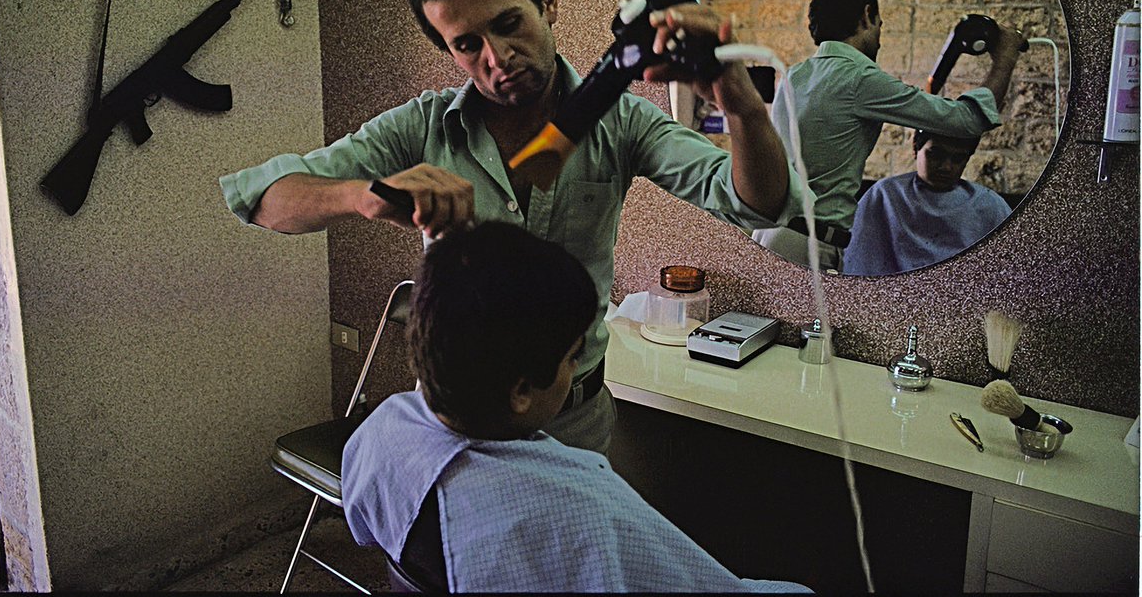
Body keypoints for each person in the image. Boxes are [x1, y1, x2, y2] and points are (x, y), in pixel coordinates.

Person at [219, 0, 805, 454]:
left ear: (546, 1)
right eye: (466, 45)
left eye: (507, 24)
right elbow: (262, 197)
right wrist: (358, 194)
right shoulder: (421, 127)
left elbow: (761, 204)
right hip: (455, 430)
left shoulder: (622, 121)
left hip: (574, 424)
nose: (496, 58)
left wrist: (742, 107)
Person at [340, 222, 811, 593]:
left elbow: (367, 531)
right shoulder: (583, 497)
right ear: (521, 391)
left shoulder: (381, 429)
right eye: (571, 358)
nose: (574, 370)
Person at [753, 0, 1023, 271]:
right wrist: (1006, 58)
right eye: (880, 23)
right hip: (808, 247)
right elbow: (967, 121)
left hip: (769, 235)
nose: (880, 33)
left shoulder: (795, 75)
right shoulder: (859, 78)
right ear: (868, 14)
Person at [843, 130, 1012, 276]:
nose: (946, 167)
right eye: (935, 154)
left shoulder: (989, 205)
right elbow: (860, 263)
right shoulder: (885, 195)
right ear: (916, 147)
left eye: (958, 158)